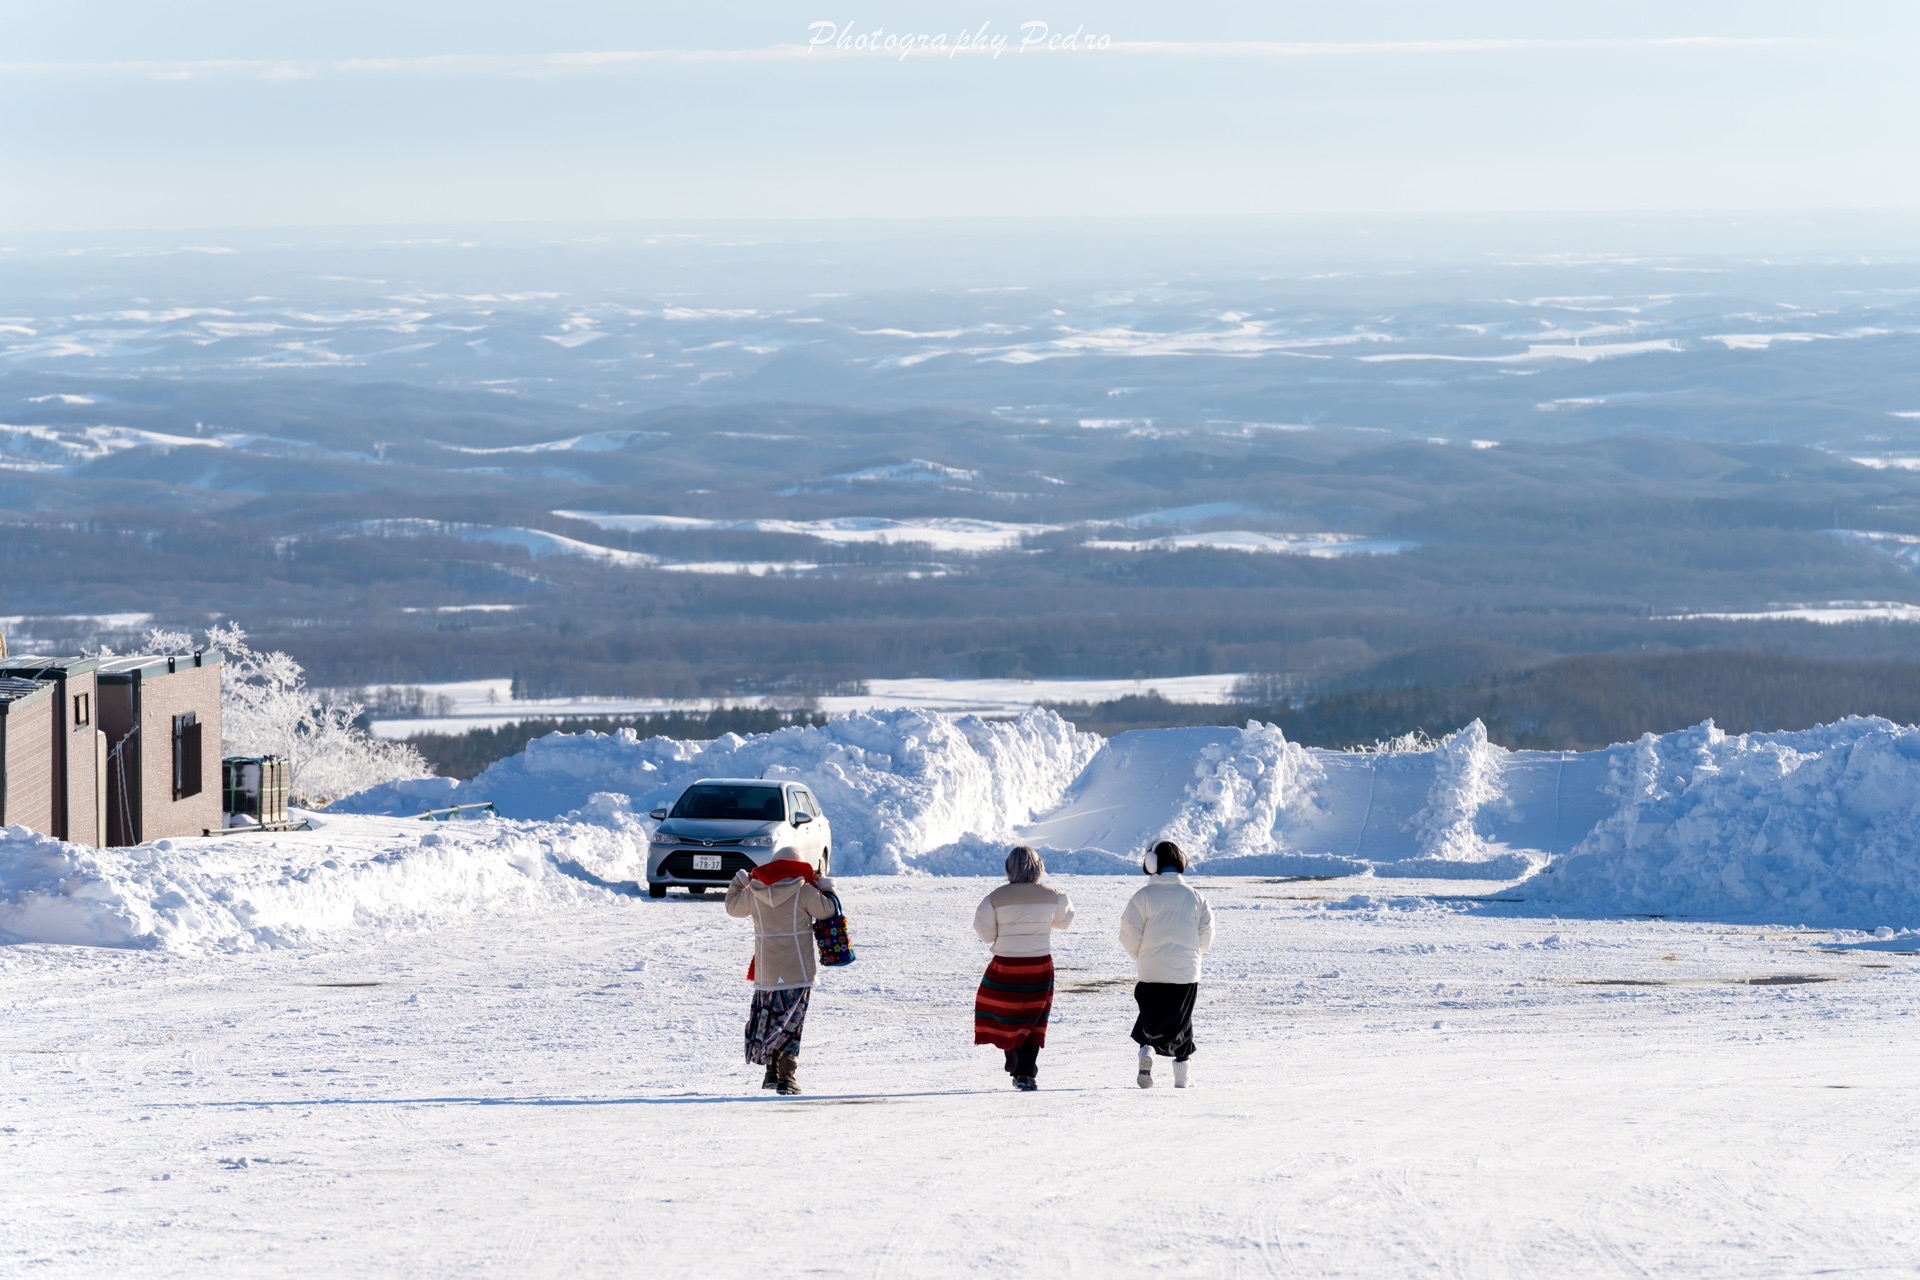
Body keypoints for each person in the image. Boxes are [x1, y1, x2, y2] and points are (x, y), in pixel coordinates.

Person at [726, 856, 839, 1096]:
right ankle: (787, 1078)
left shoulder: (755, 891)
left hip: (767, 970)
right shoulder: (804, 890)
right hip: (797, 970)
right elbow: (829, 910)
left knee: (772, 1019)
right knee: (791, 1024)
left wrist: (740, 880)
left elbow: (732, 908)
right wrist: (825, 886)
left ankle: (771, 1073)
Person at [972, 845, 1075, 1091]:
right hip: (1038, 965)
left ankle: (1013, 1058)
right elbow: (1064, 921)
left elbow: (984, 931)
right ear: (1039, 867)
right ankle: (1025, 1072)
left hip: (1005, 964)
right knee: (1034, 1018)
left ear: (1009, 868)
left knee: (1004, 1013)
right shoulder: (1055, 896)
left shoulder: (995, 898)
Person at [1118, 839, 1215, 1089]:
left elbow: (1129, 932)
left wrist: (1141, 956)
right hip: (1185, 972)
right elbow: (1207, 934)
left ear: (1152, 864)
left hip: (1150, 970)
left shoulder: (1142, 897)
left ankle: (1147, 1051)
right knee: (1182, 1021)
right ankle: (1182, 1075)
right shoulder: (1196, 897)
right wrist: (1193, 956)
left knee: (1149, 1018)